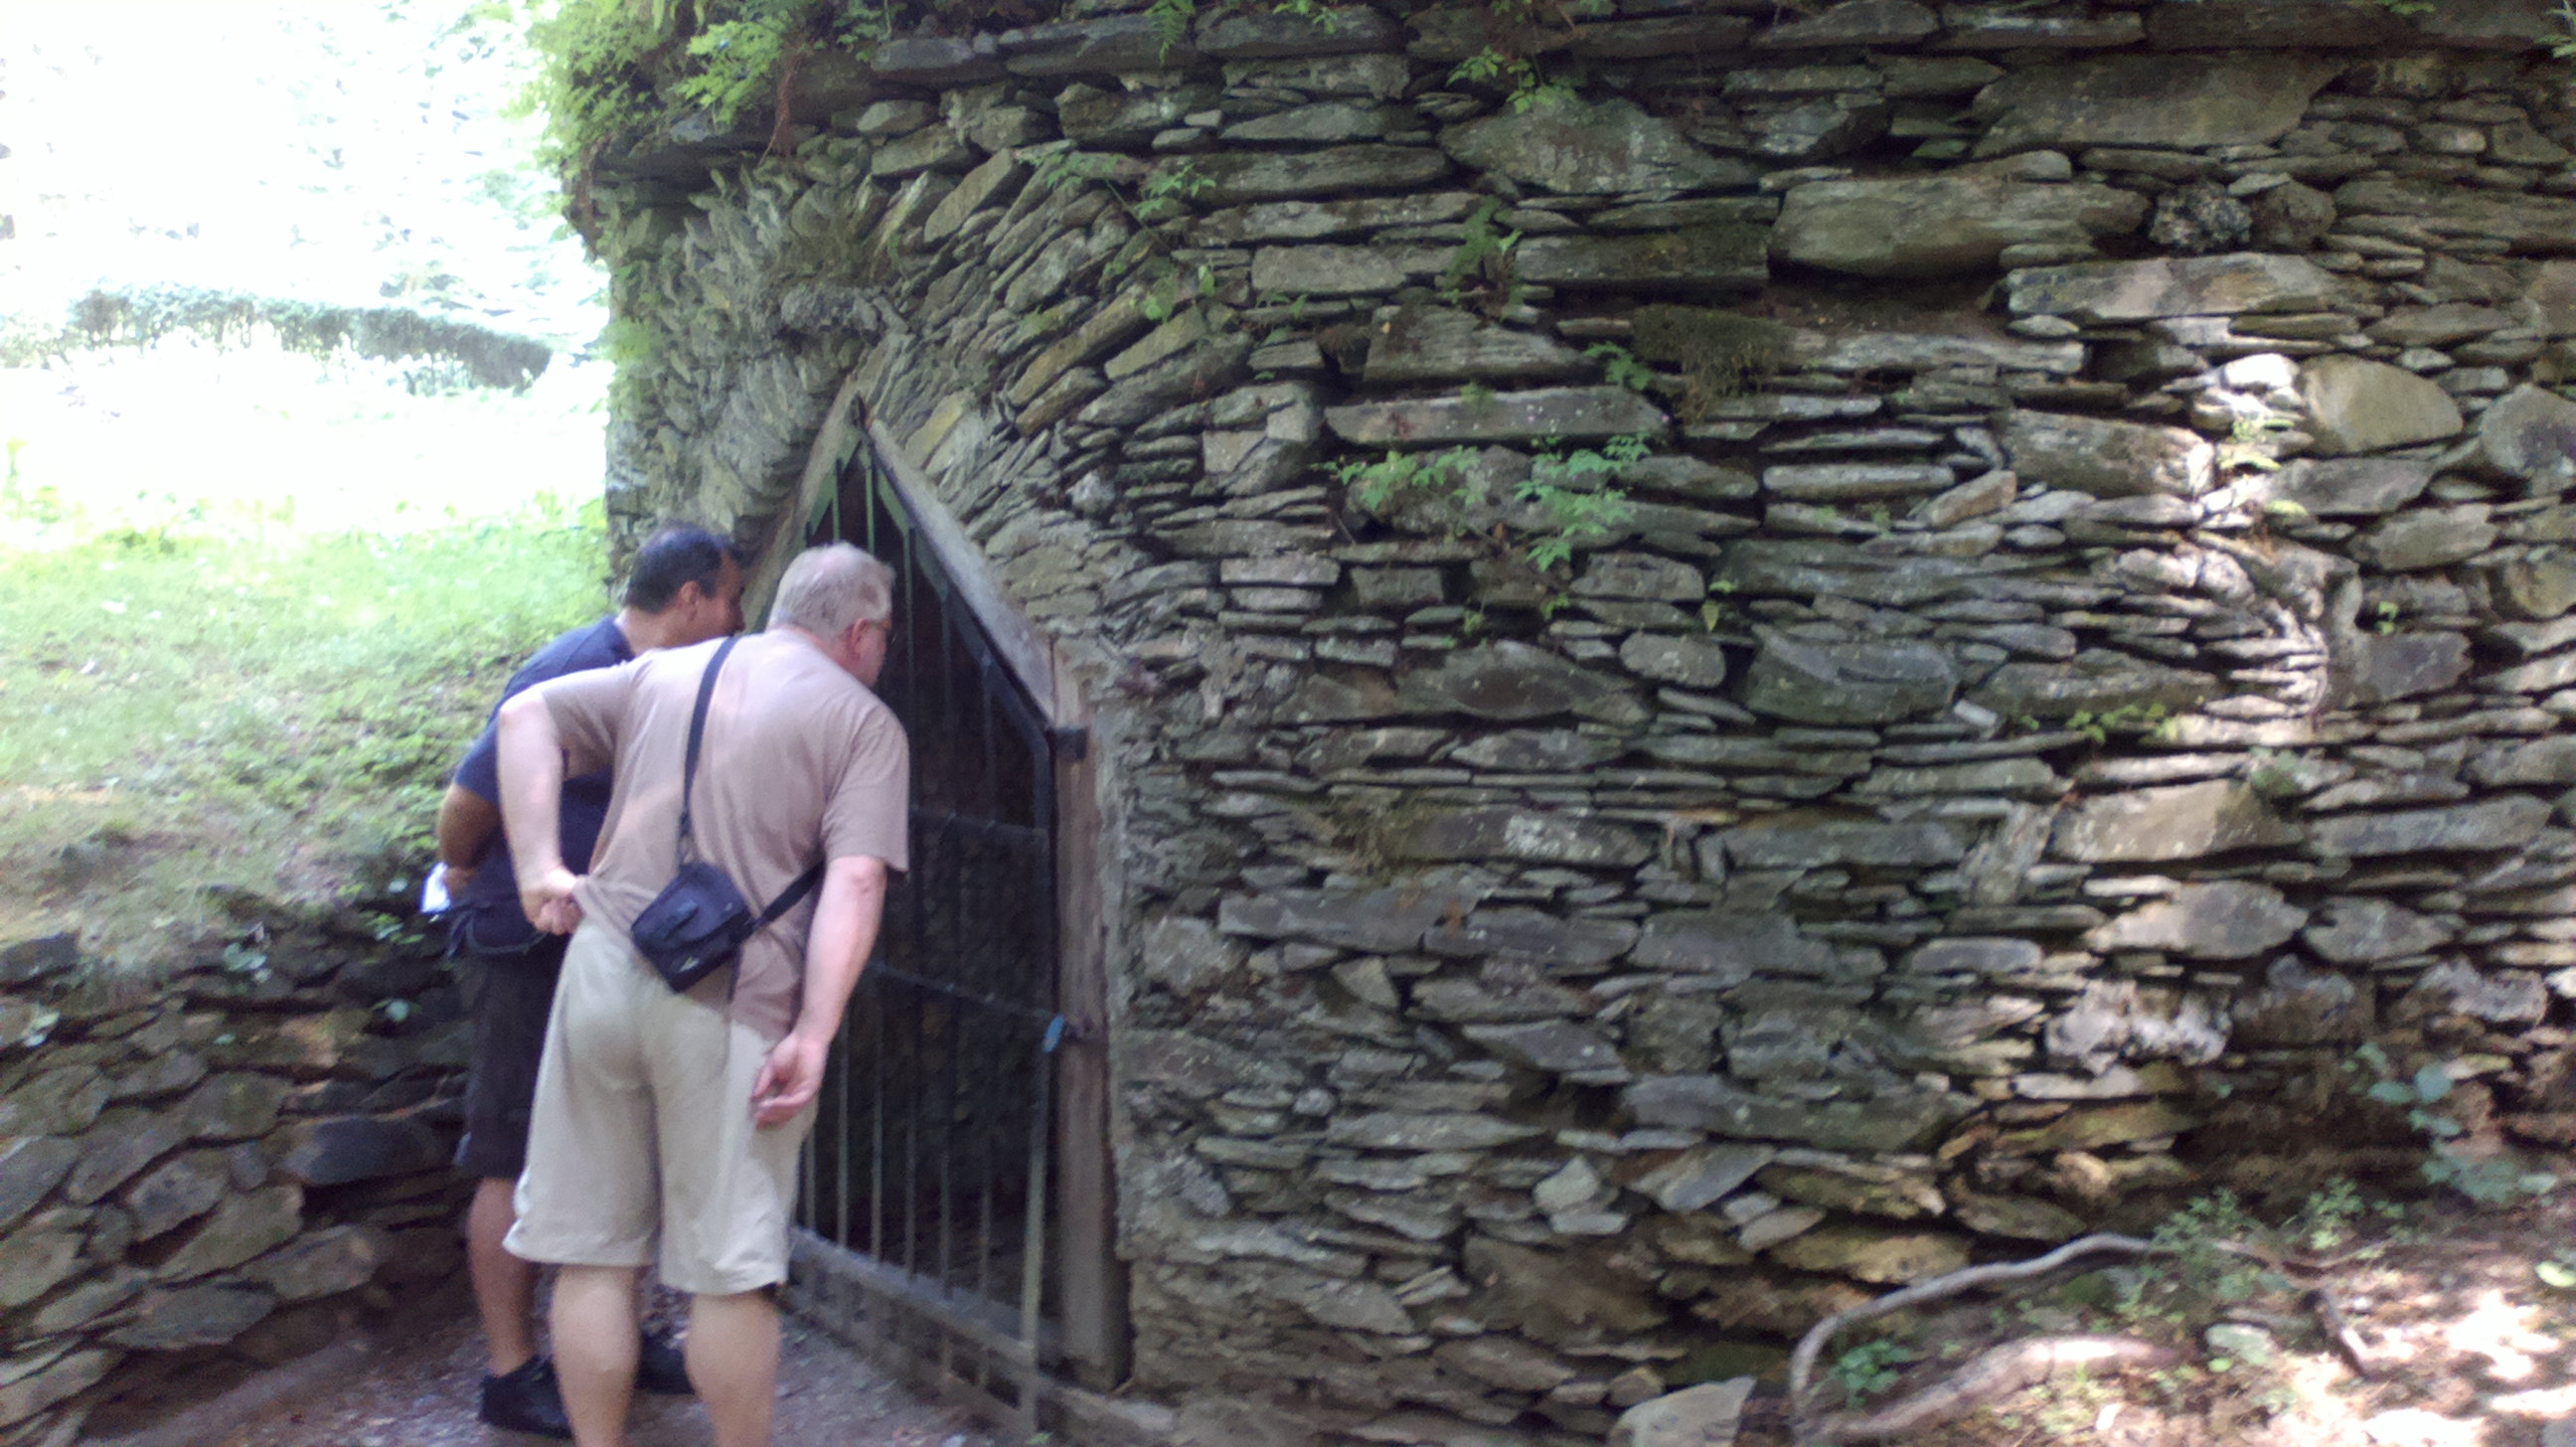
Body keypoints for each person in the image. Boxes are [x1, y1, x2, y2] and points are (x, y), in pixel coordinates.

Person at [495, 542, 909, 1447]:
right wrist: (814, 1031)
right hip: (732, 1002)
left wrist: (537, 869)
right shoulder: (863, 723)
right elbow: (857, 880)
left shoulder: (664, 671)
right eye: (884, 636)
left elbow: (524, 714)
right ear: (861, 632)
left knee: (593, 1257)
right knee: (729, 1272)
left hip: (601, 971)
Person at [437, 524, 745, 1439]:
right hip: (522, 947)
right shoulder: (574, 668)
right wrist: (465, 873)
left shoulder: (674, 677)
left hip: (606, 947)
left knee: (618, 1144)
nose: (740, 618)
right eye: (731, 598)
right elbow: (467, 800)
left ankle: (621, 1338)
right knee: (510, 1151)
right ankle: (510, 1371)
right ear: (689, 599)